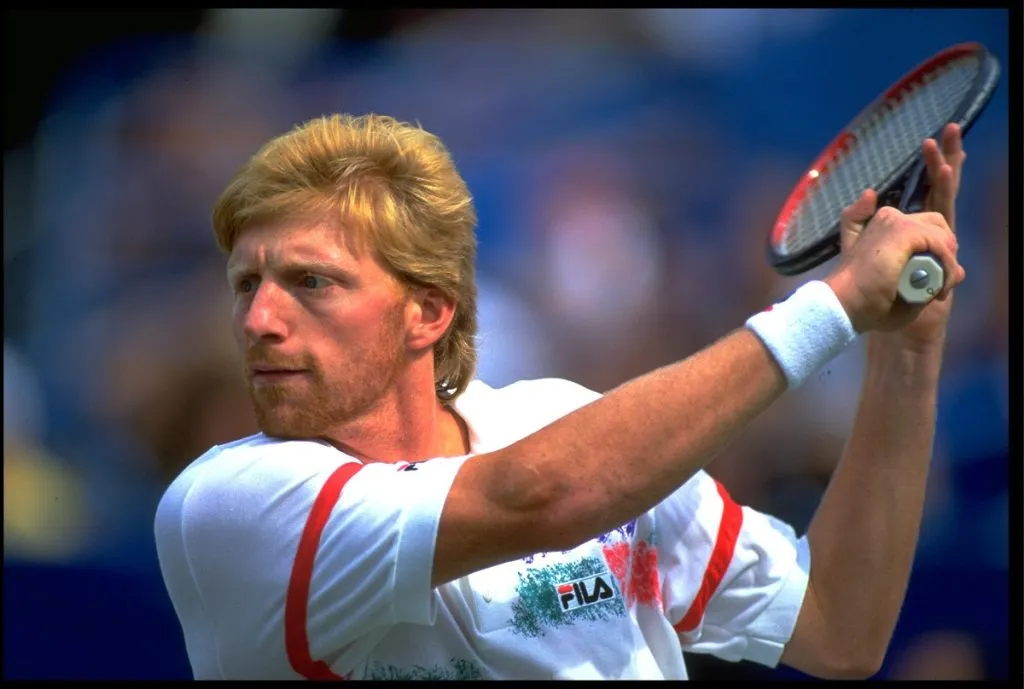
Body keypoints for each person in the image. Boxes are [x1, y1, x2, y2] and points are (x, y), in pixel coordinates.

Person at [154, 113, 967, 680]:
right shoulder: (226, 507)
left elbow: (838, 626)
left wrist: (905, 349)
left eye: (309, 282)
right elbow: (539, 493)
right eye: (246, 284)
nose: (258, 319)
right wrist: (831, 307)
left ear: (427, 310)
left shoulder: (559, 421)